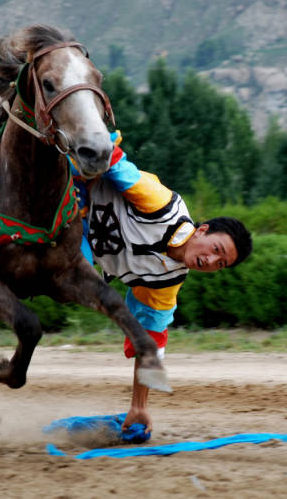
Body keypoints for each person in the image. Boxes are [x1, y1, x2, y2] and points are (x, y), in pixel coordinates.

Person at [70, 131, 252, 433]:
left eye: (220, 264)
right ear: (203, 230)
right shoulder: (160, 205)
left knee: (75, 276)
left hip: (78, 245)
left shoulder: (167, 283)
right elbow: (114, 163)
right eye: (216, 250)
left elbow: (150, 340)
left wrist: (138, 408)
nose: (210, 262)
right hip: (72, 187)